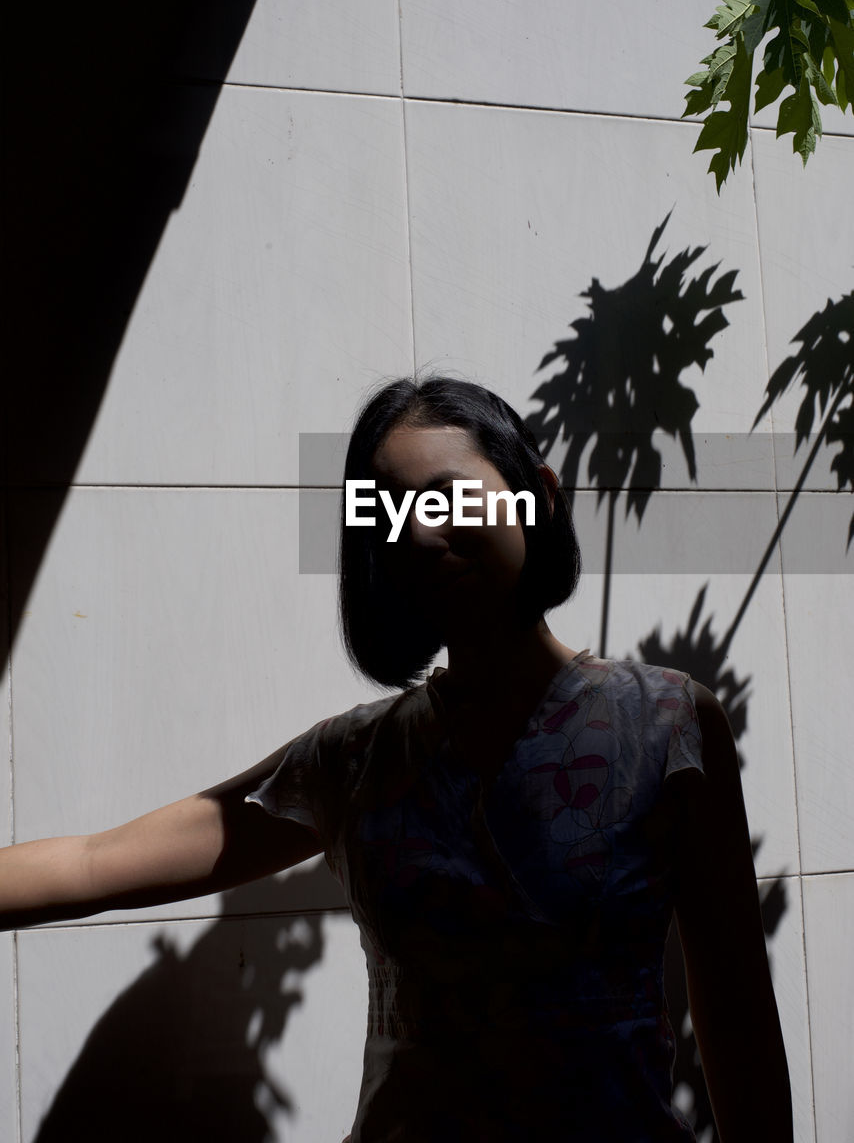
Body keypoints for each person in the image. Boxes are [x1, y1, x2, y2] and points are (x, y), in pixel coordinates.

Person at [1, 375, 792, 1142]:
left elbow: (742, 1027)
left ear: (539, 496)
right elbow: (96, 862)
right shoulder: (356, 762)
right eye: (388, 512)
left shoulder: (670, 726)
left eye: (446, 496)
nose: (417, 532)